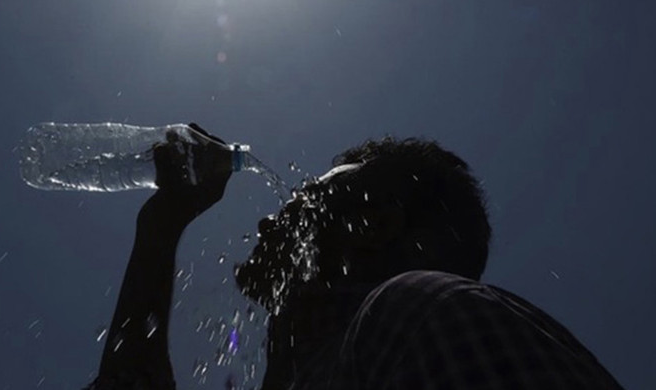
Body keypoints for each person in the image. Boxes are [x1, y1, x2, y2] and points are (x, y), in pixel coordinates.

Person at [86, 124, 623, 389]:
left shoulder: (417, 315)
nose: (269, 221)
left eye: (304, 202)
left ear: (375, 224)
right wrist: (160, 227)